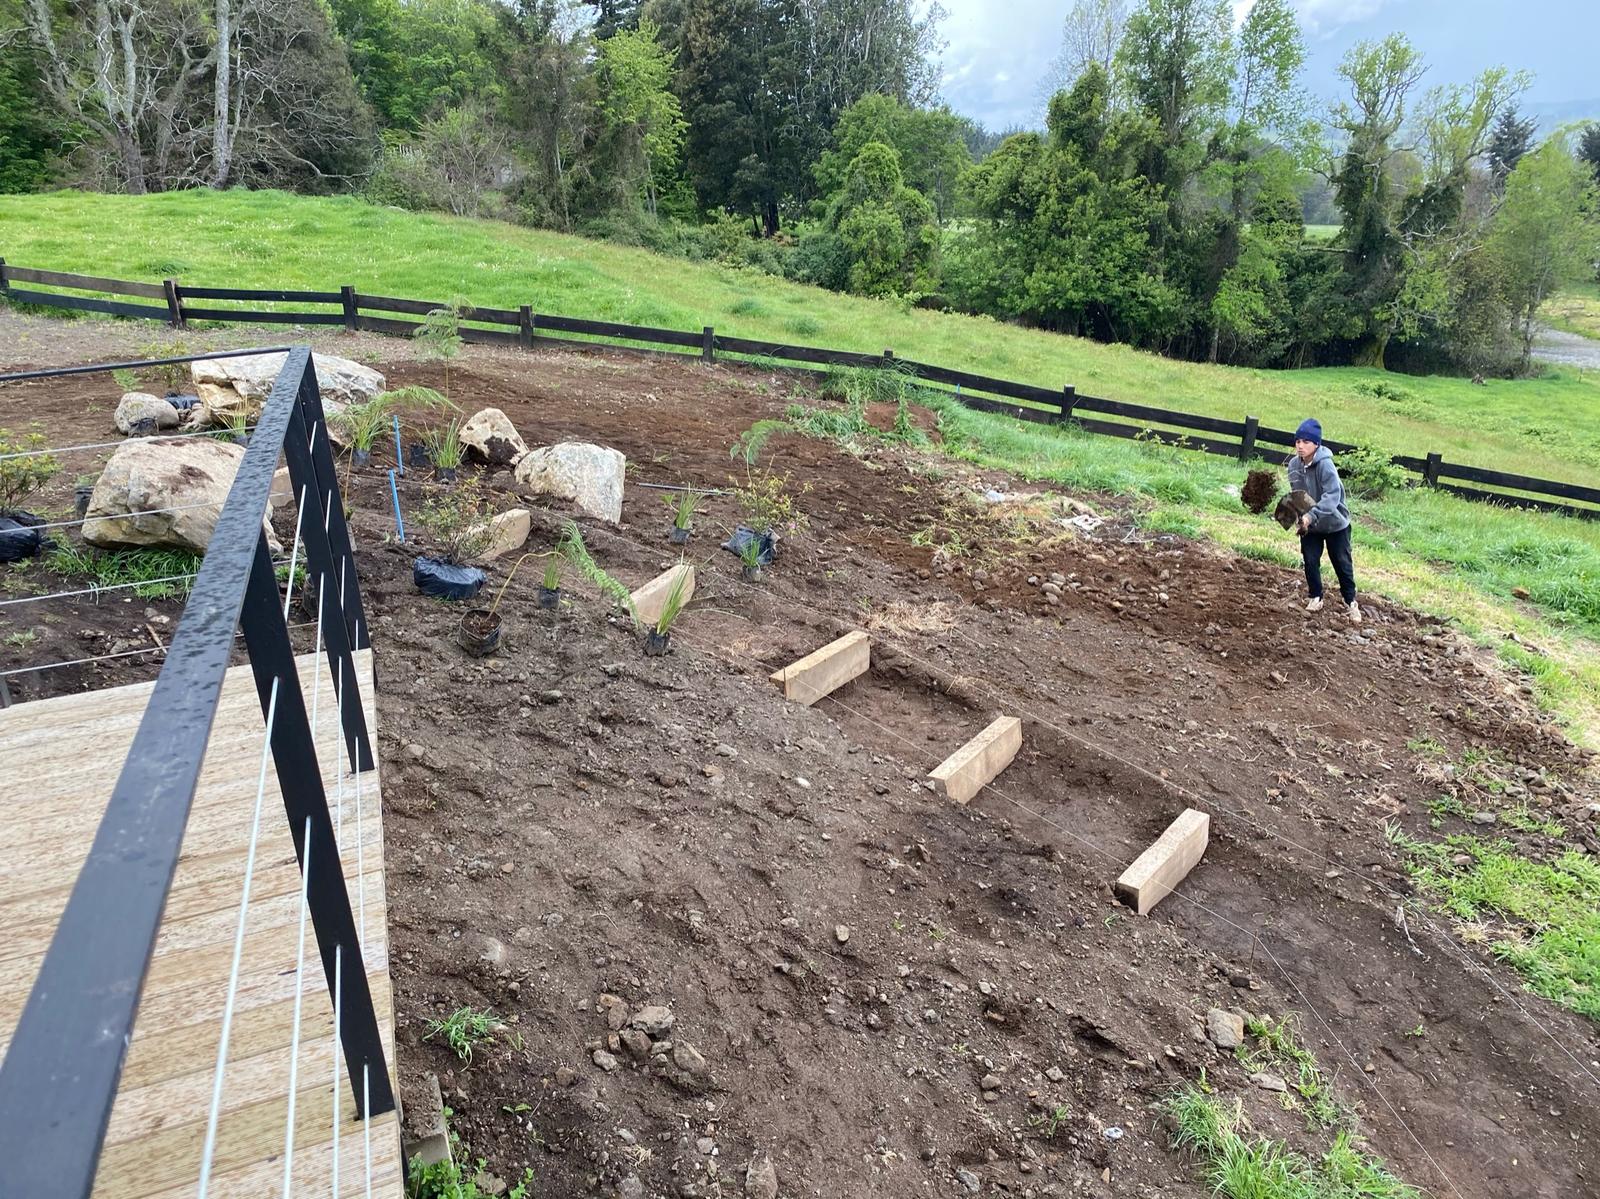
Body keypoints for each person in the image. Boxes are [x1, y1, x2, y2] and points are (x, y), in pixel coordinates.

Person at [1288, 418, 1361, 624]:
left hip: (1336, 524)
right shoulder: (1294, 465)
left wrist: (1311, 516)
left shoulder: (1325, 465)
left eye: (1306, 442)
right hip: (1311, 525)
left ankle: (1351, 602)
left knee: (1342, 563)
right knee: (1310, 560)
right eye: (1298, 441)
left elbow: (1332, 497)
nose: (1300, 446)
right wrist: (1297, 517)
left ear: (1316, 444)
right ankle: (1316, 597)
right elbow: (1298, 494)